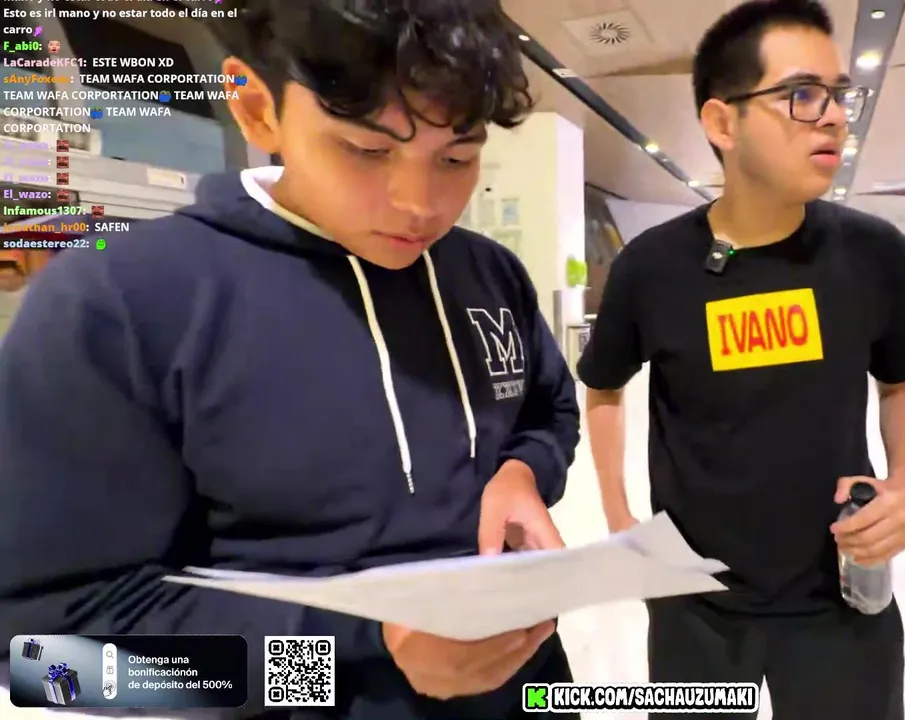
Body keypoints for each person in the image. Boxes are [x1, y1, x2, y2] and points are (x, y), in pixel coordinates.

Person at [0, 1, 580, 718]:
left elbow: (549, 410)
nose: (420, 204)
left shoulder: (488, 274)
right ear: (256, 109)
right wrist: (362, 652)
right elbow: (52, 660)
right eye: (366, 150)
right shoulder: (117, 302)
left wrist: (522, 474)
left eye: (457, 157)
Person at [577, 1, 905, 717]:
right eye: (802, 95)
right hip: (694, 601)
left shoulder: (871, 252)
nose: (834, 117)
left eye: (838, 95)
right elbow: (603, 387)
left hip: (841, 598)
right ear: (723, 123)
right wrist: (619, 516)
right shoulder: (652, 268)